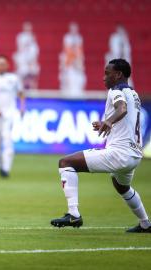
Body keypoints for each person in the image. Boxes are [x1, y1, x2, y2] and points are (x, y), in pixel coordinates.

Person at [51, 59, 150, 233]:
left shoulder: (116, 90)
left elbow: (122, 109)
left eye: (107, 73)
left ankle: (73, 214)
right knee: (122, 186)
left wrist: (109, 121)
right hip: (134, 155)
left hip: (120, 153)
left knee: (65, 163)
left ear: (118, 75)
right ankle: (145, 224)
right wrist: (107, 122)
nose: (104, 77)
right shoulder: (133, 93)